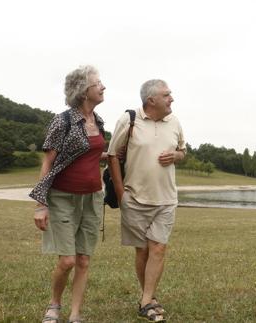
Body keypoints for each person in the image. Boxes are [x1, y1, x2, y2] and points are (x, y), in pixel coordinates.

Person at [30, 65, 107, 323]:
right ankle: (54, 304)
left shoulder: (99, 121)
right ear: (85, 91)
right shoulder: (62, 121)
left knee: (84, 260)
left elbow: (91, 153)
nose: (103, 87)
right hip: (62, 197)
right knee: (68, 261)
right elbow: (48, 162)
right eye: (98, 83)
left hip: (92, 198)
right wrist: (41, 205)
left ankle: (75, 314)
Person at [107, 79, 186, 322]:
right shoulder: (129, 120)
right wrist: (121, 195)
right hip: (135, 198)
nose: (171, 98)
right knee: (142, 251)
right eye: (166, 95)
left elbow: (183, 151)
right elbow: (112, 155)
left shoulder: (174, 121)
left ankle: (146, 300)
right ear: (151, 100)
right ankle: (148, 299)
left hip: (166, 198)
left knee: (158, 248)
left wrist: (176, 155)